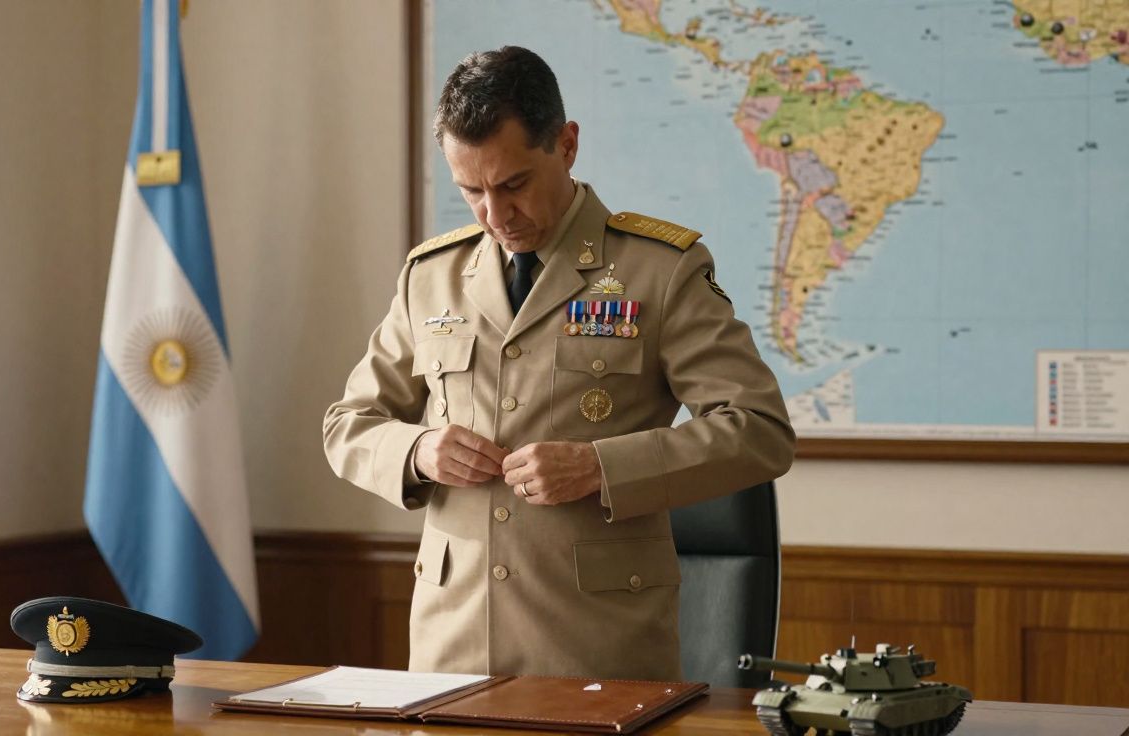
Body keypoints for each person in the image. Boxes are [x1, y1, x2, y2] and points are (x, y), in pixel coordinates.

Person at [323, 46, 794, 680]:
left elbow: (759, 430)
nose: (495, 216)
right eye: (472, 192)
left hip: (597, 649)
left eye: (513, 184)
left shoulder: (660, 269)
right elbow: (348, 424)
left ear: (566, 146)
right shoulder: (430, 275)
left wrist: (602, 466)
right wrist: (419, 451)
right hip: (450, 652)